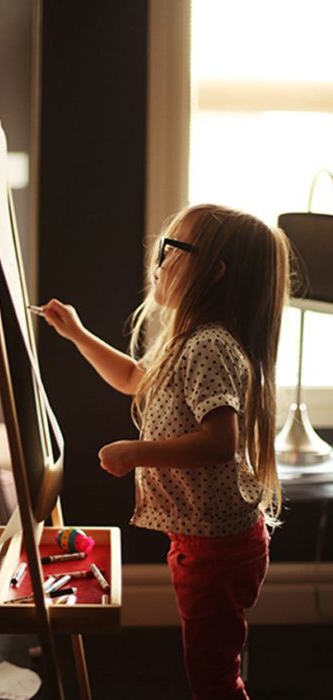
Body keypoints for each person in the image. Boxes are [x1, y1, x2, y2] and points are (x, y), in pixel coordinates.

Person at [39, 203, 291, 699]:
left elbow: (220, 441)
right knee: (211, 658)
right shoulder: (188, 341)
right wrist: (77, 334)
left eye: (172, 249)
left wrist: (135, 452)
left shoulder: (208, 346)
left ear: (213, 275)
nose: (159, 258)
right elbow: (134, 379)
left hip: (216, 548)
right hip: (206, 539)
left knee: (211, 672)